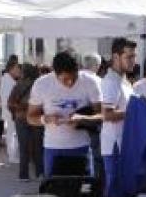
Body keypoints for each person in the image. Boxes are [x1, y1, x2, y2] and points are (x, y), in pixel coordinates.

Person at [27, 50, 102, 178]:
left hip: (81, 147)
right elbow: (30, 118)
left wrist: (83, 119)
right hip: (53, 147)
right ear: (54, 73)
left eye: (74, 78)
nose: (70, 83)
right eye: (65, 79)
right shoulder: (42, 84)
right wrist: (46, 119)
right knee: (54, 193)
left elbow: (102, 115)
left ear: (78, 69)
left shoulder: (90, 82)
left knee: (84, 193)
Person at [100, 37, 137, 197]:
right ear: (116, 57)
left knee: (122, 191)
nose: (133, 61)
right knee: (113, 191)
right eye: (129, 57)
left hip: (124, 144)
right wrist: (135, 113)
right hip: (114, 146)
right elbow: (106, 114)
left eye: (134, 56)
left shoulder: (124, 80)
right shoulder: (111, 82)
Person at [8, 63, 43, 181]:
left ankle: (23, 175)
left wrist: (17, 110)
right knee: (38, 147)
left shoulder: (18, 85)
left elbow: (10, 103)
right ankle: (39, 173)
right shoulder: (39, 84)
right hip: (36, 118)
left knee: (23, 147)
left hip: (21, 118)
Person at [1, 57, 22, 162]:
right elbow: (8, 99)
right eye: (17, 68)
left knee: (12, 133)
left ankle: (13, 155)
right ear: (11, 69)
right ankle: (12, 156)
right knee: (12, 134)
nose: (19, 71)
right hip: (11, 112)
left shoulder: (8, 80)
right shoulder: (8, 81)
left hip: (11, 111)